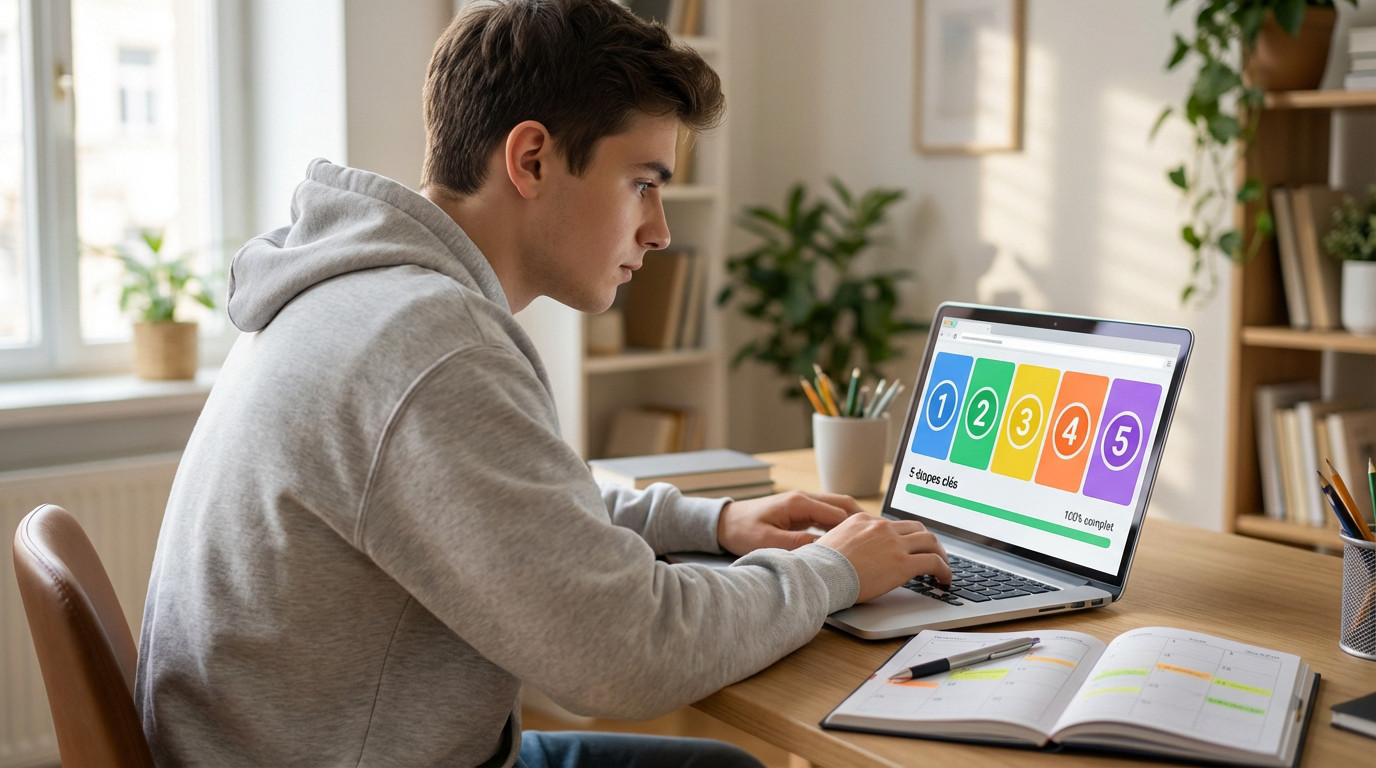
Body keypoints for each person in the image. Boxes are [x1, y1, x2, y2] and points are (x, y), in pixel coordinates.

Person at [134, 0, 951, 765]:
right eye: (644, 182)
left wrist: (719, 522)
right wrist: (833, 571)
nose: (659, 230)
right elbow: (622, 657)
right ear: (531, 158)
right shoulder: (428, 346)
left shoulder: (356, 294)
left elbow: (519, 515)